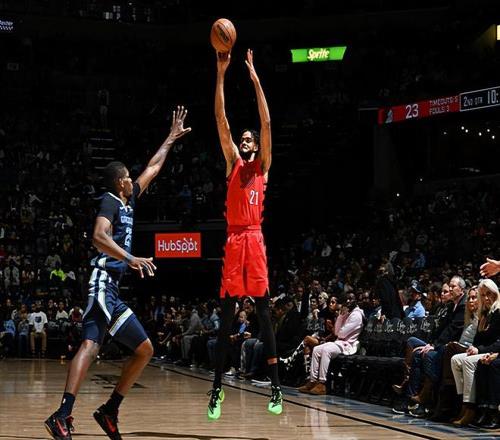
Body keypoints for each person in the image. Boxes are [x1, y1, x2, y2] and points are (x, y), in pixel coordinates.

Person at [45, 107, 191, 440]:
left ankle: (103, 411)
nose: (131, 179)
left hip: (110, 290)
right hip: (102, 284)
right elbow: (98, 236)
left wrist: (171, 137)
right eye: (127, 177)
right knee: (102, 346)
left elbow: (153, 168)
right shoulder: (110, 201)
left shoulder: (129, 200)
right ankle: (66, 415)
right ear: (118, 182)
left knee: (134, 348)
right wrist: (130, 258)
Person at [207, 48, 282, 420]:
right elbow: (220, 118)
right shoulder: (233, 162)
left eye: (251, 137)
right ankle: (217, 386)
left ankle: (276, 387)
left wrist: (255, 79)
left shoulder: (263, 166)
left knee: (264, 314)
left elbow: (267, 123)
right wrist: (222, 73)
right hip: (235, 240)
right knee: (226, 316)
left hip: (255, 239)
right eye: (245, 138)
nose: (247, 139)